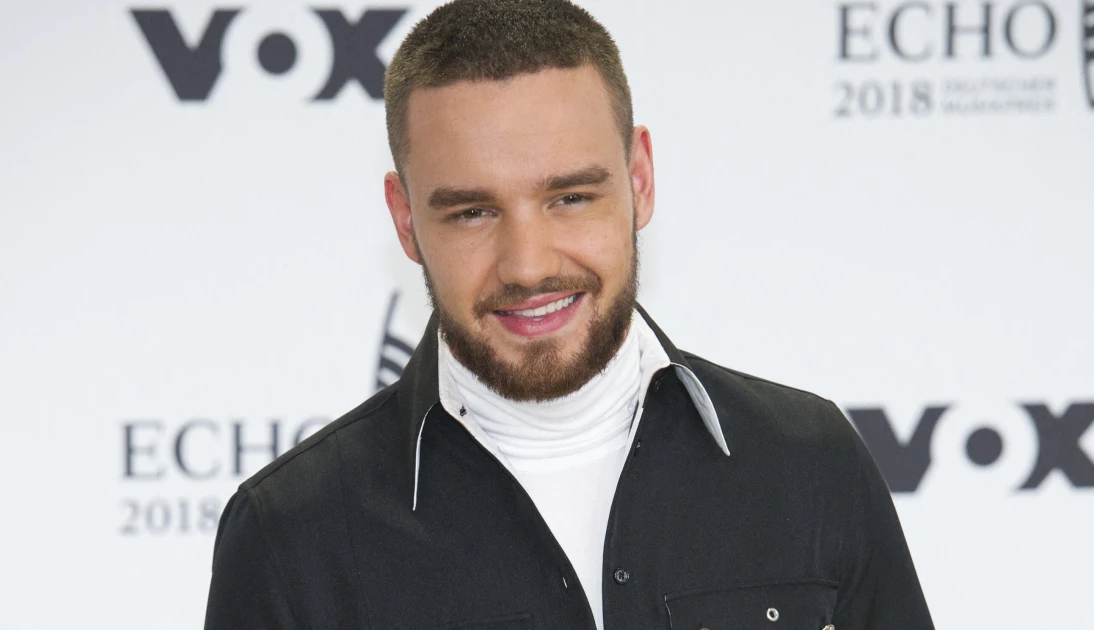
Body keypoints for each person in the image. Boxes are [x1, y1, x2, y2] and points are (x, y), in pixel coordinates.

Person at [203, 0, 935, 628]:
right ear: (405, 221)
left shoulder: (810, 464)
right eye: (471, 212)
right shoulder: (290, 535)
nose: (527, 266)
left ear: (639, 180)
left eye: (571, 198)